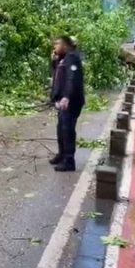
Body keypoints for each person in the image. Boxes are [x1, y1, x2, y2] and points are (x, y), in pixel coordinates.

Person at [48, 35, 86, 172]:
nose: (54, 47)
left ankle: (69, 160)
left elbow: (72, 78)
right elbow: (57, 75)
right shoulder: (63, 58)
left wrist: (67, 97)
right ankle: (62, 154)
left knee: (67, 130)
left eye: (57, 44)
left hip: (71, 101)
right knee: (61, 129)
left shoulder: (72, 58)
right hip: (63, 100)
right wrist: (54, 61)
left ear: (65, 45)